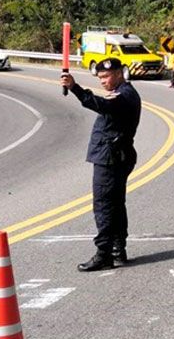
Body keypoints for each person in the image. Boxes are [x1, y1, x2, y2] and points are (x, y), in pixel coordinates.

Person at [60, 58, 142, 271]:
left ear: (118, 74)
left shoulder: (125, 95)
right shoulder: (124, 92)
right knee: (115, 204)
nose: (103, 81)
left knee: (104, 206)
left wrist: (75, 88)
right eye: (100, 78)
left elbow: (101, 105)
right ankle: (117, 250)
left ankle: (104, 253)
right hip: (114, 155)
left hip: (111, 157)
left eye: (106, 76)